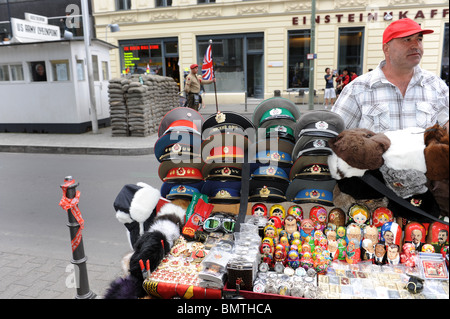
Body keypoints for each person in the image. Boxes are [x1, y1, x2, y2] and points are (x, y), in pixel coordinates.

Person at [332, 18, 449, 133]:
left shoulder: (435, 85)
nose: (416, 45)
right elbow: (335, 135)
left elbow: (447, 124)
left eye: (419, 39)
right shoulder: (357, 89)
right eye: (407, 39)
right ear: (386, 49)